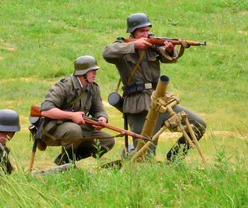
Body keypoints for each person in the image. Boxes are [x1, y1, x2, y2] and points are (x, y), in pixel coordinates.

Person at [102, 12, 206, 162]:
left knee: (198, 124)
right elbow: (107, 53)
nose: (146, 33)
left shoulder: (153, 44)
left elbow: (169, 58)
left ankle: (174, 159)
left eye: (147, 30)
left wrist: (170, 49)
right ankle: (128, 157)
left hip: (160, 102)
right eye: (142, 31)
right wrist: (134, 45)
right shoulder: (122, 45)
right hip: (138, 105)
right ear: (133, 32)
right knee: (144, 156)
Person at [39, 55, 115, 165]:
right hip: (54, 128)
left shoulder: (93, 88)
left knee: (107, 141)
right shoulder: (64, 86)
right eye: (91, 71)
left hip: (79, 128)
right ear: (82, 72)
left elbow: (99, 110)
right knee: (74, 130)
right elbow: (46, 110)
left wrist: (102, 118)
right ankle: (68, 166)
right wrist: (71, 116)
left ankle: (64, 161)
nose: (95, 73)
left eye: (95, 70)